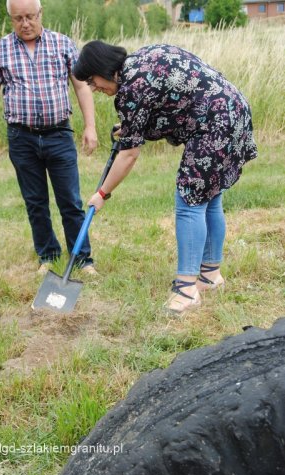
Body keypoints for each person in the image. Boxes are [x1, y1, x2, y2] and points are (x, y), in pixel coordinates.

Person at [73, 41, 258, 314]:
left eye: (92, 80)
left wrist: (102, 194)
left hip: (213, 125)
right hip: (233, 109)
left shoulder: (131, 88)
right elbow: (166, 101)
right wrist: (131, 126)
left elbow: (129, 155)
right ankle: (210, 275)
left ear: (104, 69)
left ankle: (186, 290)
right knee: (210, 198)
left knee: (189, 202)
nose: (92, 87)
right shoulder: (142, 59)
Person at [0, 0, 98, 275]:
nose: (25, 23)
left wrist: (90, 126)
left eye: (30, 17)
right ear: (11, 18)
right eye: (18, 18)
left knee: (70, 200)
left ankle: (82, 259)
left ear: (40, 14)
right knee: (35, 201)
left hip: (59, 134)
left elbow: (81, 87)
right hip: (22, 138)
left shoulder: (62, 44)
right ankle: (47, 255)